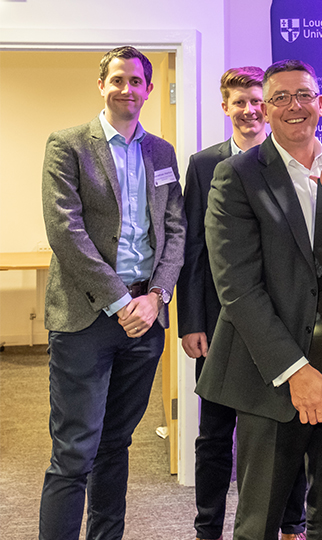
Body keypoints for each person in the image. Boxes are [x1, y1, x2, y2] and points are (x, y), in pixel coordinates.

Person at [195, 59, 322, 540]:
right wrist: (295, 371)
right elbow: (237, 288)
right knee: (260, 518)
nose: (295, 107)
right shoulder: (237, 175)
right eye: (281, 98)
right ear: (266, 110)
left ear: (321, 103)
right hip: (268, 374)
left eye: (304, 96)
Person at [38, 45, 185, 539]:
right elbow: (65, 231)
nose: (128, 89)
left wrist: (157, 296)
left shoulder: (161, 152)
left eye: (136, 81)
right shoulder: (68, 144)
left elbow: (175, 230)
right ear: (101, 85)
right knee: (75, 449)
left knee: (115, 443)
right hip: (86, 319)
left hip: (147, 319)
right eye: (117, 80)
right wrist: (123, 303)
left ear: (147, 88)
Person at [176, 66, 309, 540]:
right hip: (222, 329)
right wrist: (191, 321)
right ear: (226, 106)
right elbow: (194, 249)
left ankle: (291, 523)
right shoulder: (204, 164)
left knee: (289, 430)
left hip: (288, 332)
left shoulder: (312, 165)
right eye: (241, 102)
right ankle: (208, 526)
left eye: (257, 101)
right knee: (214, 435)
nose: (250, 110)